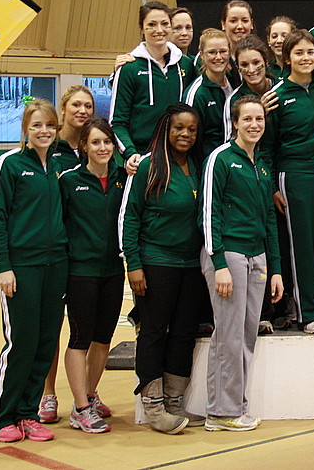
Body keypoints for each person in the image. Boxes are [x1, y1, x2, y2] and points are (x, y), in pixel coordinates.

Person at [0, 99, 68, 443]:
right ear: (25, 129)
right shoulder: (10, 163)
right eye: (36, 126)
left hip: (57, 266)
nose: (43, 131)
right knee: (21, 342)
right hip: (21, 267)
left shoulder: (62, 163)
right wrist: (3, 265)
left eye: (49, 125)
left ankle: (28, 414)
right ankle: (2, 417)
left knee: (46, 343)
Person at [200, 95, 284, 431]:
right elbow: (209, 213)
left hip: (257, 258)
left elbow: (268, 219)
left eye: (259, 119)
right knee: (229, 336)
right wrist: (218, 262)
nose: (254, 125)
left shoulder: (262, 165)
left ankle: (235, 406)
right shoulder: (220, 159)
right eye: (247, 119)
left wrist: (276, 268)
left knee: (246, 336)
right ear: (235, 122)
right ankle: (220, 412)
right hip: (229, 257)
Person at [120, 104, 205, 434]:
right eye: (179, 128)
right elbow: (131, 218)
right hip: (156, 264)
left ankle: (174, 402)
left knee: (184, 333)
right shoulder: (148, 167)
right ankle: (153, 407)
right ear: (166, 130)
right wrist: (134, 265)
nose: (185, 134)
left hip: (191, 266)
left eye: (192, 130)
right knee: (154, 332)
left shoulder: (196, 167)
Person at [59, 117, 126, 433]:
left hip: (113, 271)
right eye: (96, 142)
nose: (103, 147)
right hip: (81, 273)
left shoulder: (122, 179)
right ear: (84, 145)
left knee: (103, 339)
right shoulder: (69, 181)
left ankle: (89, 394)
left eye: (107, 142)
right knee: (80, 339)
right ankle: (80, 409)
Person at [260, 30, 314, 333]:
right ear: (287, 58)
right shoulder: (277, 96)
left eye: (310, 52)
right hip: (294, 175)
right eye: (299, 53)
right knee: (301, 248)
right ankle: (308, 313)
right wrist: (273, 184)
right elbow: (267, 147)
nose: (306, 58)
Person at [39, 84, 95, 423]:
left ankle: (86, 392)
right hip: (55, 254)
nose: (82, 111)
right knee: (52, 326)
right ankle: (47, 394)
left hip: (86, 256)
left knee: (83, 328)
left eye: (88, 105)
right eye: (76, 104)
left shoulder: (98, 147)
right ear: (63, 109)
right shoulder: (50, 147)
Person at [110, 1, 192, 173]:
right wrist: (130, 153)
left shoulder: (185, 65)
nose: (159, 30)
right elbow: (117, 122)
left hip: (178, 157)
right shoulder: (129, 68)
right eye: (151, 25)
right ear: (142, 28)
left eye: (164, 24)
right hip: (141, 158)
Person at [185, 29, 235, 158]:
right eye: (212, 52)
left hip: (233, 160)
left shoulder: (235, 81)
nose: (218, 57)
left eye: (223, 51)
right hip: (207, 162)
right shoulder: (197, 93)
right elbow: (188, 138)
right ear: (201, 55)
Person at [223, 36, 274, 141]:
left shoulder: (280, 88)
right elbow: (231, 142)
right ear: (238, 68)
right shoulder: (235, 99)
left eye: (256, 63)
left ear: (266, 62)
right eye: (244, 65)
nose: (251, 70)